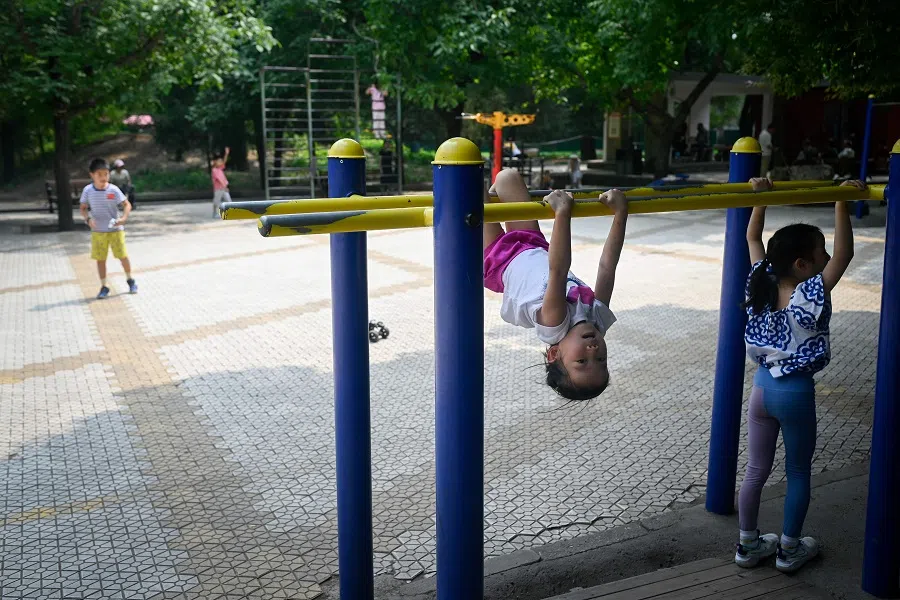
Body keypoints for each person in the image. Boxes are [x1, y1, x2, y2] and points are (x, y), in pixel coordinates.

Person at [734, 178, 864, 572]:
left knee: (756, 469)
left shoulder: (760, 280)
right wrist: (842, 199)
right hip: (794, 393)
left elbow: (752, 235)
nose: (827, 258)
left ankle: (747, 545)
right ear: (802, 264)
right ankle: (789, 549)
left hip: (760, 390)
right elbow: (846, 252)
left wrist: (762, 198)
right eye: (819, 253)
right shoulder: (812, 291)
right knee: (798, 471)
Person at [483, 169, 628, 400]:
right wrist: (621, 212)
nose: (594, 350)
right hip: (532, 245)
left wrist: (562, 212)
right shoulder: (597, 319)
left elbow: (558, 271)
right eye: (601, 359)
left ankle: (485, 195)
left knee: (470, 188)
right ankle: (492, 194)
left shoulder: (554, 324)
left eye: (581, 361)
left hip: (496, 260)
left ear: (554, 354)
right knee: (509, 176)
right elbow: (607, 267)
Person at [79, 158, 137, 299]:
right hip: (98, 232)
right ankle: (104, 286)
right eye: (99, 174)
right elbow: (83, 208)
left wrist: (123, 218)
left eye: (106, 174)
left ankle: (130, 280)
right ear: (92, 175)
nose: (103, 177)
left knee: (122, 256)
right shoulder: (87, 191)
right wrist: (88, 219)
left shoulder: (113, 189)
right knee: (101, 259)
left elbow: (126, 204)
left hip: (115, 231)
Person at [211, 146, 231, 218]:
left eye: (221, 161)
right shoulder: (214, 170)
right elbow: (219, 179)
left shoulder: (220, 168)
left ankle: (231, 213)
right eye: (219, 161)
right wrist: (225, 187)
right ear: (215, 162)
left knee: (229, 201)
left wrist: (226, 154)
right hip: (218, 189)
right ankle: (214, 213)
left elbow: (224, 161)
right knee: (216, 202)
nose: (221, 162)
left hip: (223, 188)